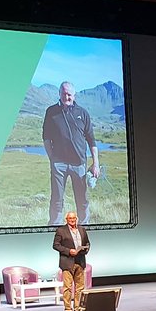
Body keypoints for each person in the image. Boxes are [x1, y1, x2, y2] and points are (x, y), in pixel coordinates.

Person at [43, 80, 99, 225]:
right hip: (59, 164)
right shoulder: (51, 112)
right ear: (59, 94)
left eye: (69, 94)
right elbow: (46, 138)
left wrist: (96, 164)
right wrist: (52, 159)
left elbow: (92, 141)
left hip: (79, 164)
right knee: (56, 198)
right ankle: (54, 228)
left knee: (82, 199)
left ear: (74, 95)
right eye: (63, 93)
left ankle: (84, 227)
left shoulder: (83, 113)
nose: (66, 97)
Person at [53, 211, 90, 311]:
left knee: (80, 287)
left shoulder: (82, 230)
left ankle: (78, 307)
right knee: (67, 288)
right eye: (70, 218)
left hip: (80, 261)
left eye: (74, 218)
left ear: (76, 219)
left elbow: (87, 243)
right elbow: (56, 245)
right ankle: (68, 309)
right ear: (66, 219)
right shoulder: (61, 230)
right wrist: (69, 251)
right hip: (67, 262)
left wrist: (84, 250)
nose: (72, 220)